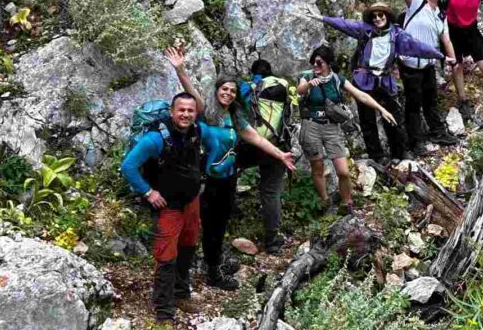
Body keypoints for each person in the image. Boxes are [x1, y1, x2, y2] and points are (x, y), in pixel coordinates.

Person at [165, 48, 295, 291]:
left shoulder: (235, 117)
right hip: (206, 180)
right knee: (202, 223)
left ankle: (213, 264)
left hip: (228, 178)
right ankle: (203, 271)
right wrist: (180, 69)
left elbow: (256, 138)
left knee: (220, 223)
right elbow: (190, 92)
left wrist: (280, 154)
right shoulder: (205, 112)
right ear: (217, 91)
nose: (228, 93)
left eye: (232, 91)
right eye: (224, 89)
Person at [303, 4, 448, 162]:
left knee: (393, 116)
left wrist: (440, 55)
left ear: (387, 16)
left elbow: (416, 46)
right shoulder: (365, 30)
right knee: (367, 120)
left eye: (381, 15)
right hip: (364, 79)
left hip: (385, 80)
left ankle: (399, 152)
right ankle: (376, 156)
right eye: (375, 16)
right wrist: (321, 18)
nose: (378, 19)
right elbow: (344, 24)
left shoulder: (397, 35)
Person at [120, 92, 206, 321]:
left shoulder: (196, 131)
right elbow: (128, 166)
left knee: (188, 247)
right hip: (168, 205)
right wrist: (148, 192)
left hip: (191, 200)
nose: (186, 114)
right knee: (166, 256)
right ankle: (164, 310)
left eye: (190, 110)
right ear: (172, 111)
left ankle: (181, 294)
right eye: (181, 110)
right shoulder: (155, 139)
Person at [296, 45, 398, 213]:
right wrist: (308, 85)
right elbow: (300, 90)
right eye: (313, 62)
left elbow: (361, 95)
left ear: (328, 63)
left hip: (331, 127)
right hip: (311, 125)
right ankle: (325, 200)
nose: (315, 66)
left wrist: (382, 109)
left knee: (342, 171)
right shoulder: (306, 76)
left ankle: (347, 202)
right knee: (318, 165)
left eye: (319, 62)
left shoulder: (337, 79)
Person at [374, 0, 459, 154]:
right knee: (414, 104)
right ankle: (416, 141)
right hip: (410, 65)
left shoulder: (441, 15)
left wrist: (452, 59)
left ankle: (437, 132)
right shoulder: (417, 3)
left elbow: (446, 40)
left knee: (430, 100)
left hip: (428, 65)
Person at [235, 59, 291, 254]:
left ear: (253, 73)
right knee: (271, 192)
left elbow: (234, 102)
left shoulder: (249, 86)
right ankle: (272, 241)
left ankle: (230, 218)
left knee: (226, 173)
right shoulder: (283, 84)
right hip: (277, 144)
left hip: (251, 145)